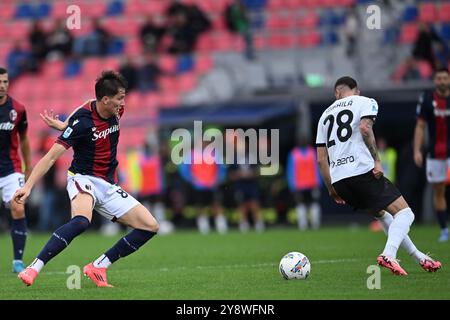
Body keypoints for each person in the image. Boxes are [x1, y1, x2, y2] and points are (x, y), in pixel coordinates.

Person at [14, 71, 159, 287]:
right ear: (106, 100)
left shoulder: (115, 110)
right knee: (82, 221)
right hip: (83, 178)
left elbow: (88, 101)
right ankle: (33, 268)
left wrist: (64, 124)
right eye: (119, 98)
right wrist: (28, 186)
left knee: (150, 226)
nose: (123, 103)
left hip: (108, 183)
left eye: (123, 97)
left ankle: (99, 266)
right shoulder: (82, 123)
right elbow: (50, 157)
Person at [316, 76, 441, 276]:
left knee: (383, 214)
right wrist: (377, 160)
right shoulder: (365, 101)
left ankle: (420, 257)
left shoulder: (324, 115)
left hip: (339, 180)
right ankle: (388, 254)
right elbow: (365, 128)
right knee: (406, 213)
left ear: (336, 93)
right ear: (356, 90)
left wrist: (331, 189)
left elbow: (322, 159)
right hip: (361, 172)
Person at [0, 67, 32, 273]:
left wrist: (29, 167)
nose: (2, 86)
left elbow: (24, 139)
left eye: (5, 82)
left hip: (11, 168)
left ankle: (17, 261)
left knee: (18, 207)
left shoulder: (17, 109)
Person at [413, 67, 450, 242]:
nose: (442, 81)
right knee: (438, 191)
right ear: (435, 81)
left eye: (445, 78)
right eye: (439, 78)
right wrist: (416, 150)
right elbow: (420, 126)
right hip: (436, 153)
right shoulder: (427, 98)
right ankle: (444, 229)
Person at [286, 140, 321, 230]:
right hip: (307, 184)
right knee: (310, 204)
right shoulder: (312, 153)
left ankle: (305, 225)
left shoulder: (294, 154)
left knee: (307, 204)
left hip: (304, 185)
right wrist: (319, 183)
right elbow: (318, 168)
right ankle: (312, 225)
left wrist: (292, 185)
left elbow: (290, 171)